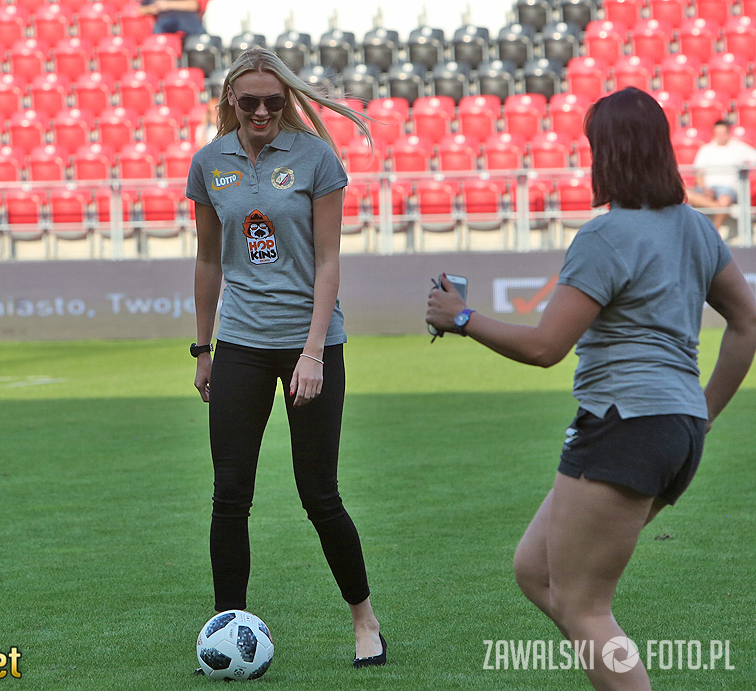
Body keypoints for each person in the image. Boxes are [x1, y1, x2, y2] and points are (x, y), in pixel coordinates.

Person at [426, 87, 756, 691]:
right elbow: (747, 321)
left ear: (607, 153)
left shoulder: (604, 238)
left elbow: (545, 347)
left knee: (585, 607)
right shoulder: (696, 228)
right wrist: (702, 413)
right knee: (536, 571)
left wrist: (463, 318)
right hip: (675, 431)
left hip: (624, 426)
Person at [186, 46, 386, 669]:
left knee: (319, 494)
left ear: (287, 100)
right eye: (250, 101)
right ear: (230, 100)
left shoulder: (316, 158)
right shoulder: (208, 163)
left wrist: (313, 353)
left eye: (274, 101)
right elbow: (208, 260)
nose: (262, 111)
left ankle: (365, 622)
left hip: (310, 345)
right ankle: (227, 628)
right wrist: (203, 348)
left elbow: (328, 260)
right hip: (240, 345)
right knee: (229, 495)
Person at [688, 120, 756, 236]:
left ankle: (713, 231)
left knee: (724, 200)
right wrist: (704, 189)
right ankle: (718, 209)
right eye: (718, 133)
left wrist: (745, 166)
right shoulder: (706, 149)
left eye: (723, 133)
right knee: (685, 193)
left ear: (728, 133)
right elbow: (699, 173)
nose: (721, 136)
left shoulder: (739, 148)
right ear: (714, 134)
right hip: (707, 189)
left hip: (728, 189)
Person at [138, 0, 207, 37]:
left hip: (187, 18)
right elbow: (141, 10)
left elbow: (194, 5)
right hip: (165, 20)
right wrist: (152, 8)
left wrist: (168, 4)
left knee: (200, 37)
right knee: (158, 35)